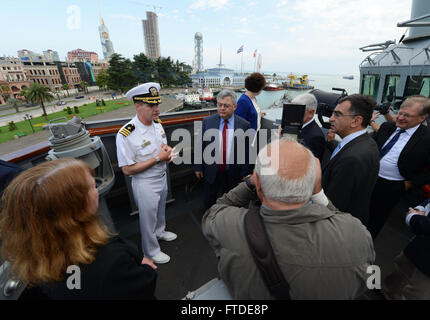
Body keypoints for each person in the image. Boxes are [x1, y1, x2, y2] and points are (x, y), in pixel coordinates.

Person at [202, 138, 375, 299]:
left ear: (259, 185)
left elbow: (215, 210)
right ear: (313, 182)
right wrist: (318, 192)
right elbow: (339, 218)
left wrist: (248, 184)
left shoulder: (228, 225)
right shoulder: (356, 235)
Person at [0, 159, 157, 300]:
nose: (96, 191)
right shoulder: (110, 262)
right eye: (93, 186)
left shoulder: (30, 263)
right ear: (77, 208)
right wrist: (147, 268)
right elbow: (142, 287)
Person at [368, 95, 430, 239]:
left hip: (392, 186)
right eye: (399, 112)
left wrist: (410, 183)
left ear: (422, 117)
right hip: (368, 177)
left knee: (375, 220)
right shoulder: (387, 127)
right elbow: (371, 147)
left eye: (407, 115)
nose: (399, 117)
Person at [116, 82, 176, 265]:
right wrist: (158, 158)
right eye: (151, 105)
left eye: (157, 104)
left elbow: (161, 146)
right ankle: (150, 250)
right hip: (145, 183)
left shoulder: (157, 124)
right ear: (137, 106)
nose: (156, 109)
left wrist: (168, 151)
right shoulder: (126, 134)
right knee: (147, 217)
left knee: (160, 210)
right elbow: (127, 169)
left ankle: (160, 231)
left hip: (162, 176)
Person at [381, 184, 430, 299]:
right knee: (398, 275)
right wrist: (421, 208)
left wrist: (416, 220)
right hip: (421, 247)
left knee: (418, 294)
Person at [322, 94, 380, 226]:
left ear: (356, 121)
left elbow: (334, 204)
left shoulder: (352, 158)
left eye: (337, 114)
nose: (331, 118)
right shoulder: (365, 143)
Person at [194, 89, 252, 210]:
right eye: (219, 105)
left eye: (226, 106)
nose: (222, 108)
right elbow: (200, 145)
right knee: (209, 200)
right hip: (211, 171)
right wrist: (198, 166)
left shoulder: (244, 125)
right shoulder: (207, 122)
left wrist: (245, 172)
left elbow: (246, 152)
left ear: (235, 106)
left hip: (232, 172)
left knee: (230, 202)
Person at [291, 93, 326, 160]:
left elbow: (311, 166)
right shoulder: (297, 126)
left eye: (298, 109)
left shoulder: (315, 137)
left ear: (311, 113)